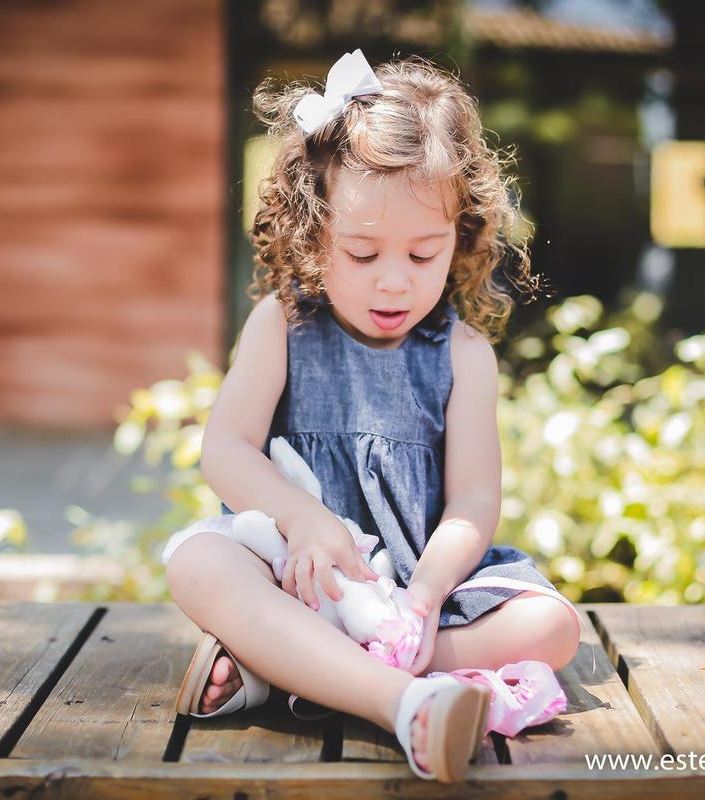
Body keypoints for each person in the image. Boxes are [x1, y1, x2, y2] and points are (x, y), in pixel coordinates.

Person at [161, 48, 583, 783]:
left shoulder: (462, 355)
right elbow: (225, 451)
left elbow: (474, 502)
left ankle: (292, 669)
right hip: (301, 579)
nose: (395, 280)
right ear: (313, 233)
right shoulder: (282, 324)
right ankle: (404, 702)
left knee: (555, 627)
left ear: (462, 235)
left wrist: (422, 597)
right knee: (199, 563)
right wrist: (305, 520)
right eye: (363, 253)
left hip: (418, 590)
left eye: (424, 254)